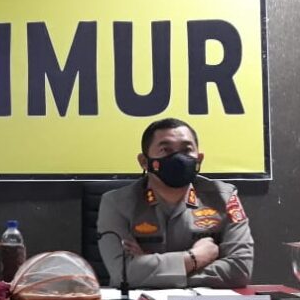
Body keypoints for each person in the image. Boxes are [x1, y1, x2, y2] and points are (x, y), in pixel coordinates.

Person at [97, 118, 253, 289]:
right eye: (165, 150)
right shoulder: (117, 203)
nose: (178, 158)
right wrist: (195, 258)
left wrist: (150, 271)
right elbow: (123, 273)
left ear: (199, 159)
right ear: (144, 161)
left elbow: (239, 270)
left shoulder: (224, 198)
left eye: (187, 150)